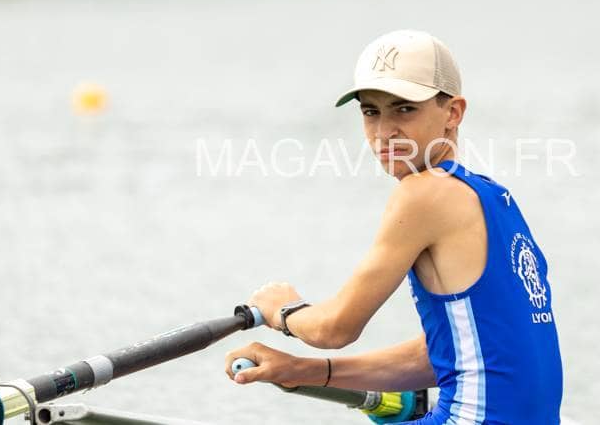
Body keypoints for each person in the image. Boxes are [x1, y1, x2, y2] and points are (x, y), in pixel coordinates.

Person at [224, 30, 563, 424]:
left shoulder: (422, 194)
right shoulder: (495, 198)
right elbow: (455, 354)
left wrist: (283, 310)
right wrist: (304, 370)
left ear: (453, 112)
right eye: (371, 112)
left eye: (404, 109)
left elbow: (334, 329)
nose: (384, 132)